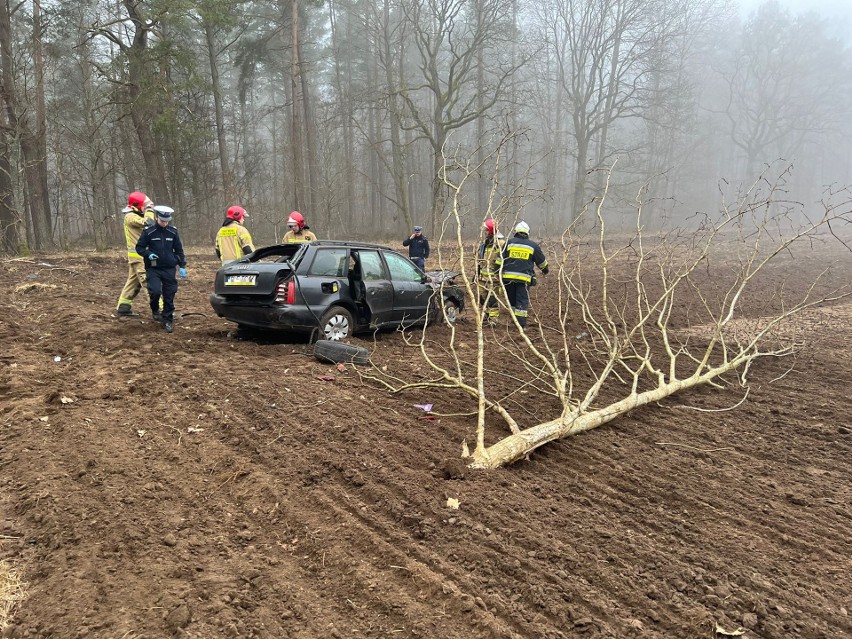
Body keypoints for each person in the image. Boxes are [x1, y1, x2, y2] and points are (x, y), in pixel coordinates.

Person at [135, 206, 187, 334]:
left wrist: (182, 266)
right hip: (154, 268)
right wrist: (148, 254)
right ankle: (155, 309)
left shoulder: (173, 232)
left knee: (169, 295)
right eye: (163, 220)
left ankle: (168, 320)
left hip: (169, 268)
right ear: (157, 217)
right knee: (155, 291)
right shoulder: (149, 232)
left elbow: (179, 250)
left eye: (167, 221)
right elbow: (139, 247)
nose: (165, 223)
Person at [495, 221, 549, 330]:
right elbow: (542, 263)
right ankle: (521, 325)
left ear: (516, 232)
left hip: (508, 279)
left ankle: (515, 319)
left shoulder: (508, 243)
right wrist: (545, 270)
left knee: (512, 301)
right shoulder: (533, 246)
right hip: (523, 280)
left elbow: (499, 260)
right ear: (527, 233)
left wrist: (497, 272)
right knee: (521, 301)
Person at [115, 191, 156, 316]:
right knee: (149, 282)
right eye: (145, 205)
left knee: (133, 283)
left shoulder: (136, 214)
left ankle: (123, 307)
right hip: (138, 257)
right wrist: (150, 209)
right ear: (137, 206)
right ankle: (159, 310)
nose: (148, 208)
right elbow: (149, 222)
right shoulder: (130, 217)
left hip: (140, 256)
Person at [476, 218, 505, 325]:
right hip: (482, 278)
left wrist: (498, 274)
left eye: (487, 230)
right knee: (482, 298)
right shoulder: (485, 243)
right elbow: (480, 260)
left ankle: (493, 320)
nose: (485, 232)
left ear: (492, 230)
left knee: (492, 299)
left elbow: (502, 260)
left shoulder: (501, 243)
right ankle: (485, 317)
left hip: (494, 278)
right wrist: (477, 274)